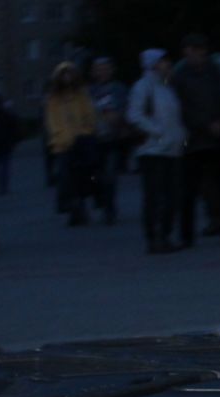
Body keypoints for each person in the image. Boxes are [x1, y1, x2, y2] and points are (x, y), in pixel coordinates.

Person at [170, 33, 220, 245]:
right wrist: (204, 124)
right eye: (189, 50)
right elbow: (180, 108)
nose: (192, 54)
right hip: (193, 140)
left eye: (195, 49)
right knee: (189, 191)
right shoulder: (180, 75)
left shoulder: (217, 72)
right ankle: (186, 235)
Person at [128, 48, 187, 253]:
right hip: (152, 151)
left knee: (171, 196)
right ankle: (154, 237)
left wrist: (179, 139)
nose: (167, 65)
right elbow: (135, 115)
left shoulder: (166, 87)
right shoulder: (143, 87)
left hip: (171, 151)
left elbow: (175, 118)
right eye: (163, 61)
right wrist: (158, 133)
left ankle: (165, 235)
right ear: (152, 64)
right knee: (155, 197)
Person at [44, 61, 100, 227]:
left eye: (69, 74)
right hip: (63, 145)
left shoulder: (81, 94)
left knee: (82, 176)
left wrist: (85, 131)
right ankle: (72, 209)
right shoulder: (53, 99)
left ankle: (82, 207)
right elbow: (52, 121)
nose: (67, 78)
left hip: (81, 141)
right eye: (63, 75)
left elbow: (89, 115)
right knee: (66, 178)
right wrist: (61, 137)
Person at [89, 56, 126, 223]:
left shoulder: (118, 89)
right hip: (94, 140)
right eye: (99, 69)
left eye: (106, 68)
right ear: (94, 72)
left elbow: (122, 110)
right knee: (97, 176)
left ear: (112, 70)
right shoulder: (90, 91)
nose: (102, 72)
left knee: (110, 174)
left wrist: (116, 117)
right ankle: (102, 201)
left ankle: (109, 207)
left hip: (113, 139)